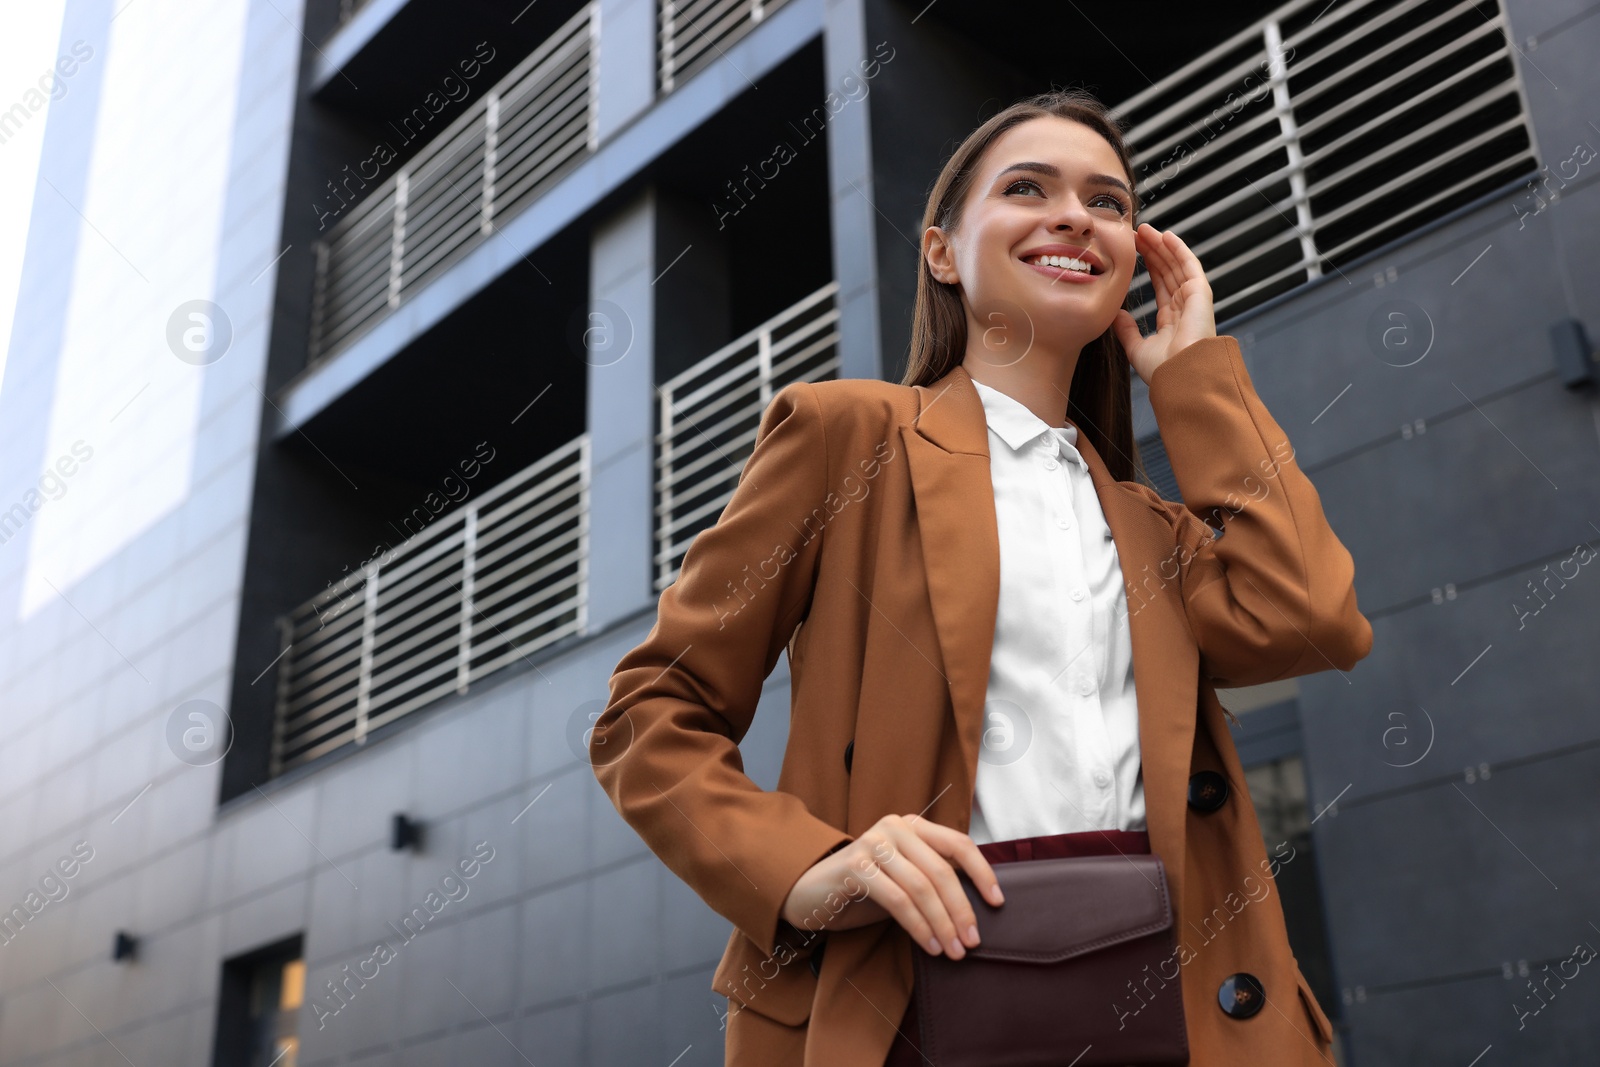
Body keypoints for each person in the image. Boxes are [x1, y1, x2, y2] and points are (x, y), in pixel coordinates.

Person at [591, 88, 1371, 1067]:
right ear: (941, 252)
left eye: (1109, 202)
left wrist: (1195, 376)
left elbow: (1310, 619)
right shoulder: (846, 438)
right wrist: (806, 865)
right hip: (911, 1000)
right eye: (1028, 187)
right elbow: (650, 712)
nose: (1074, 215)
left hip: (1175, 1005)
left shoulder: (1152, 528)